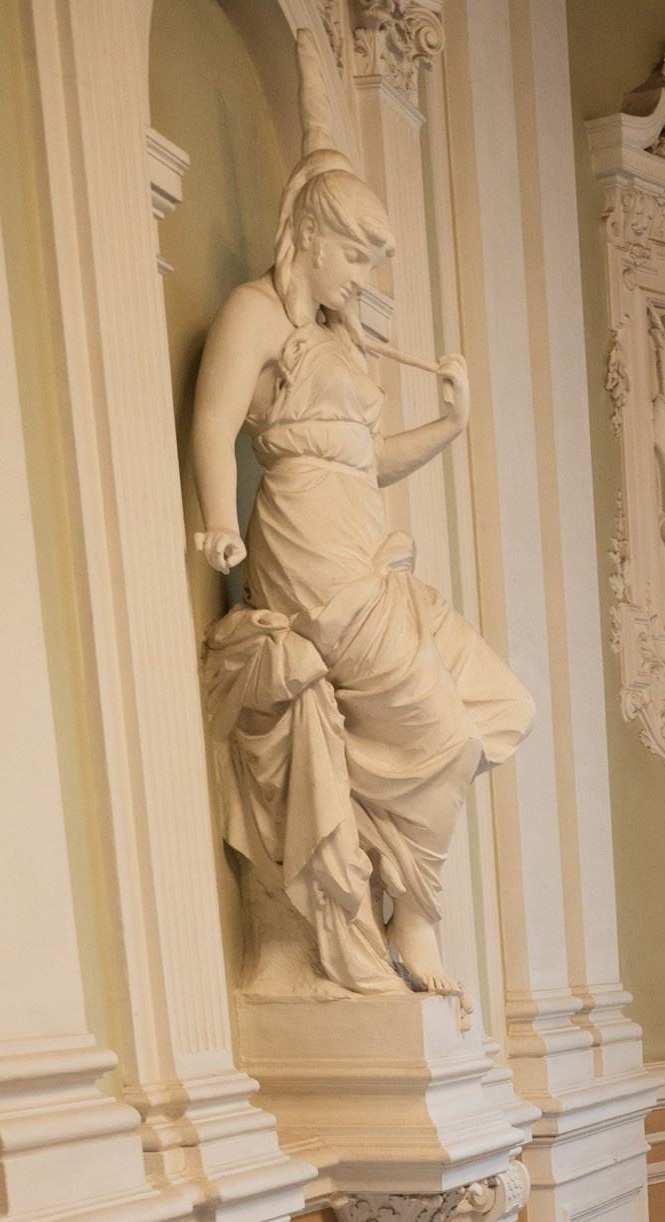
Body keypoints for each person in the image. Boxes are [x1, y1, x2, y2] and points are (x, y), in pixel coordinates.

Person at [189, 27, 533, 997]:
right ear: (314, 237)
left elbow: (368, 459)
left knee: (502, 706)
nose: (361, 281)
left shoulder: (339, 339)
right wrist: (218, 523)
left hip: (366, 549)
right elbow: (215, 425)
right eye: (356, 259)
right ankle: (415, 916)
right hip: (311, 561)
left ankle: (405, 891)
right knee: (442, 733)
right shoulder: (259, 314)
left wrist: (450, 427)